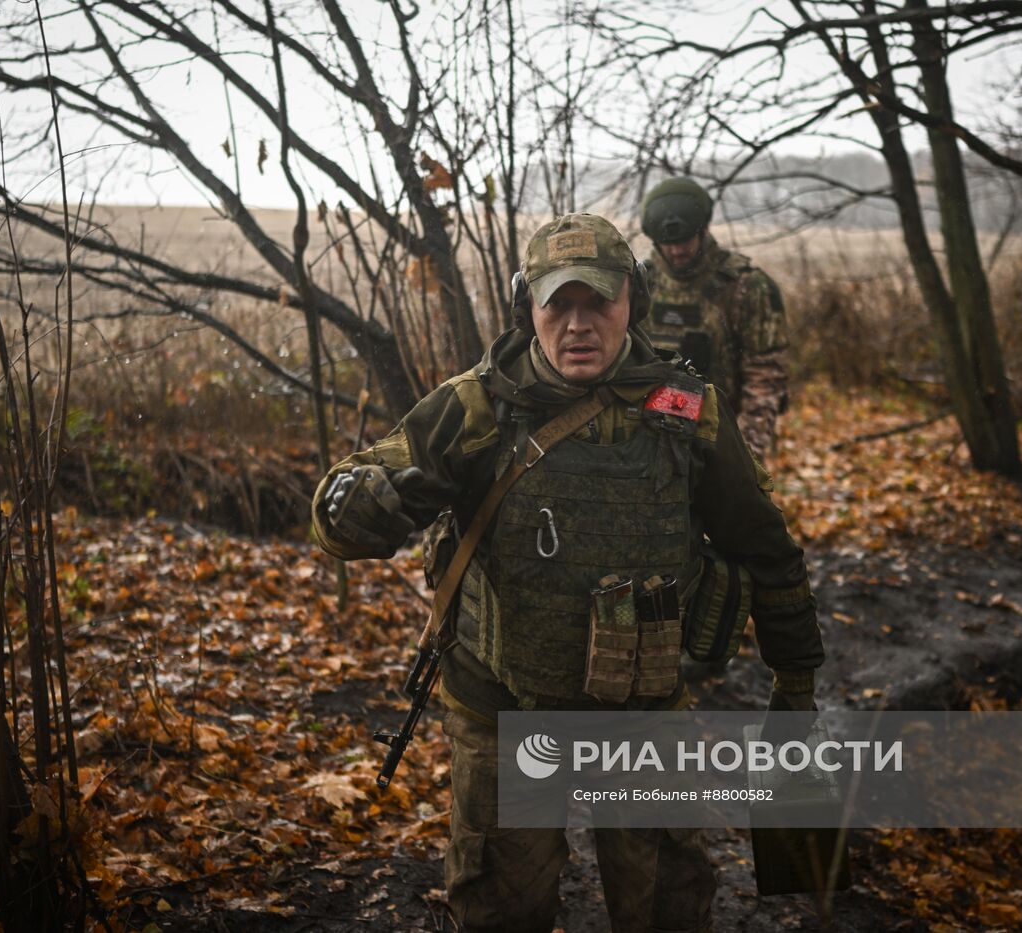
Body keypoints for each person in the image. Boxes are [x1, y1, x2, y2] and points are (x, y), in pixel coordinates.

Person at [312, 213, 822, 933]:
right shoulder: (478, 407)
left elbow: (766, 546)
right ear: (529, 307)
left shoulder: (684, 411)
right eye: (559, 304)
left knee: (670, 908)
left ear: (631, 304)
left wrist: (796, 681)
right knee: (503, 908)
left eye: (598, 303)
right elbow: (353, 494)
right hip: (508, 711)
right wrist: (359, 510)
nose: (578, 324)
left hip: (643, 712)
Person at [640, 178, 790, 462]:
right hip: (647, 440)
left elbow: (765, 379)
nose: (677, 251)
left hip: (723, 437)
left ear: (703, 229)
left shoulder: (746, 287)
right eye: (667, 243)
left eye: (684, 240)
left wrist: (746, 455)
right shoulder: (639, 286)